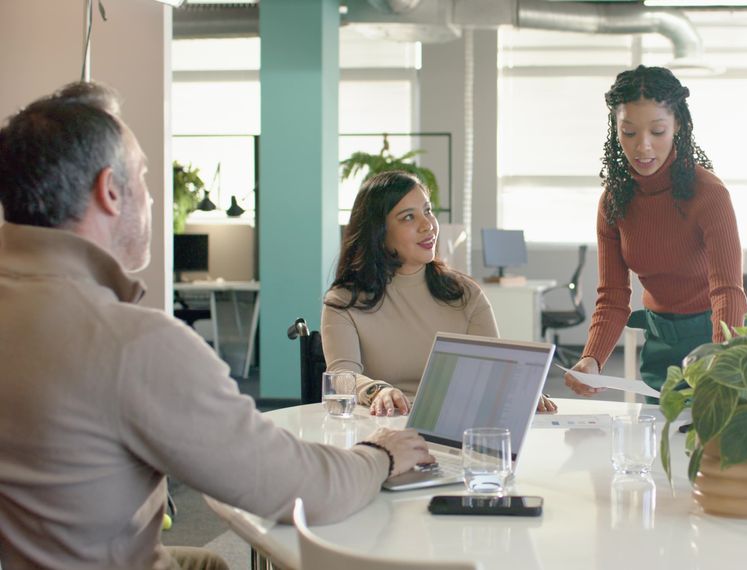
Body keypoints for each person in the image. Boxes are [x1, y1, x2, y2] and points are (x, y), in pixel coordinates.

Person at [0, 82, 434, 570]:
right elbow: (299, 487)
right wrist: (381, 454)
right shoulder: (131, 344)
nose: (152, 198)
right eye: (145, 177)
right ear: (110, 191)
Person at [565, 65, 747, 397]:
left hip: (713, 340)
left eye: (657, 131)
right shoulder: (614, 202)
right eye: (630, 132)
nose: (643, 147)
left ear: (677, 125)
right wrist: (591, 358)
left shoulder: (709, 193)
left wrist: (725, 360)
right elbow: (613, 297)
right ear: (616, 130)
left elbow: (728, 291)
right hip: (659, 344)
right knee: (653, 443)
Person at [322, 170, 558, 416]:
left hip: (453, 426)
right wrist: (377, 391)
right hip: (379, 428)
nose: (427, 225)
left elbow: (492, 371)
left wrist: (518, 389)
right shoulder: (343, 301)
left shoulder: (466, 295)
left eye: (427, 211)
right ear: (379, 233)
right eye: (408, 218)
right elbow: (342, 377)